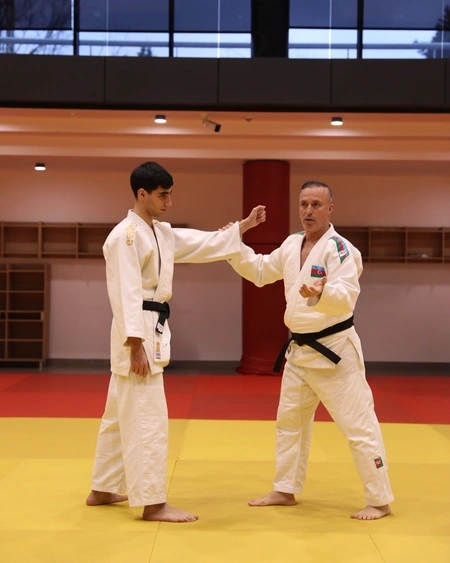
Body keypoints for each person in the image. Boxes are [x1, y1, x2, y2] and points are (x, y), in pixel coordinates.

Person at [86, 161, 266, 523]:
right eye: (162, 195)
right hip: (136, 331)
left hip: (147, 326)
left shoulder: (160, 233)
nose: (168, 202)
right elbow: (125, 292)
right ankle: (152, 503)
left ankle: (102, 488)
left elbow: (202, 242)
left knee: (119, 413)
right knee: (147, 418)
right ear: (142, 194)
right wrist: (134, 344)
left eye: (170, 194)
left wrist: (242, 227)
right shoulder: (125, 236)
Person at [227, 180, 394, 520]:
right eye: (304, 204)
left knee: (359, 426)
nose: (308, 211)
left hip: (335, 353)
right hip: (300, 353)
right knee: (289, 424)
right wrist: (232, 246)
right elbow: (260, 270)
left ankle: (380, 499)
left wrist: (321, 293)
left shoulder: (340, 249)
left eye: (316, 204)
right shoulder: (291, 244)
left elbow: (347, 295)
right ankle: (285, 488)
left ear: (330, 209)